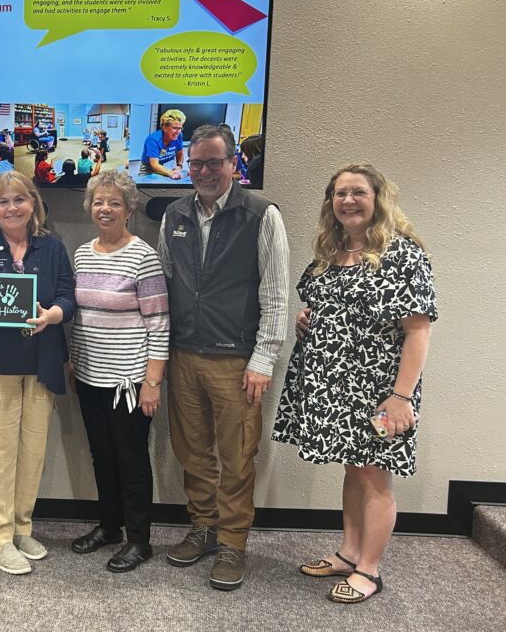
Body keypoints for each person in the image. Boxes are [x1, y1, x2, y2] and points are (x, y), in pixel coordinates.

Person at [272, 163, 436, 604]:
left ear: (378, 198)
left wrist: (401, 397)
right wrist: (307, 319)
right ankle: (349, 552)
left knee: (376, 479)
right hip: (333, 388)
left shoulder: (401, 254)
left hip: (380, 391)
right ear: (331, 203)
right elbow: (320, 302)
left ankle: (370, 569)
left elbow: (419, 330)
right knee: (354, 468)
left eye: (358, 192)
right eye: (340, 194)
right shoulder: (333, 250)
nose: (348, 201)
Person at [157, 123, 289, 590]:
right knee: (192, 450)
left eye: (214, 162)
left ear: (234, 163)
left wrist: (263, 359)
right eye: (196, 163)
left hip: (236, 360)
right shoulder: (173, 213)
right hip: (184, 355)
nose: (205, 171)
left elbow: (275, 294)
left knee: (236, 456)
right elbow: (164, 286)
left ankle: (233, 543)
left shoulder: (261, 214)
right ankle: (204, 528)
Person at [0, 172, 76, 574]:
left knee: (32, 451)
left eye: (20, 199)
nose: (12, 207)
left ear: (33, 204)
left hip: (41, 365)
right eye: (3, 201)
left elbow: (66, 295)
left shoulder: (53, 248)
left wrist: (53, 315)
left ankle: (22, 527)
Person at [70, 170, 169, 573]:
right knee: (101, 457)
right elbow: (81, 317)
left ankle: (139, 540)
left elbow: (159, 323)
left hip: (129, 382)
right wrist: (75, 363)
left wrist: (152, 382)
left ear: (129, 209)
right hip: (90, 378)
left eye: (113, 202)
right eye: (98, 201)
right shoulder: (81, 253)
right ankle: (109, 528)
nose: (104, 208)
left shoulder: (143, 257)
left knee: (131, 460)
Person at [140, 109, 186, 179]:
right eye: (174, 128)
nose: (177, 132)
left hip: (165, 165)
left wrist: (179, 166)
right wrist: (170, 173)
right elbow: (154, 165)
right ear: (164, 127)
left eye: (180, 128)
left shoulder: (179, 136)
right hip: (149, 167)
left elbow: (180, 153)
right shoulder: (153, 140)